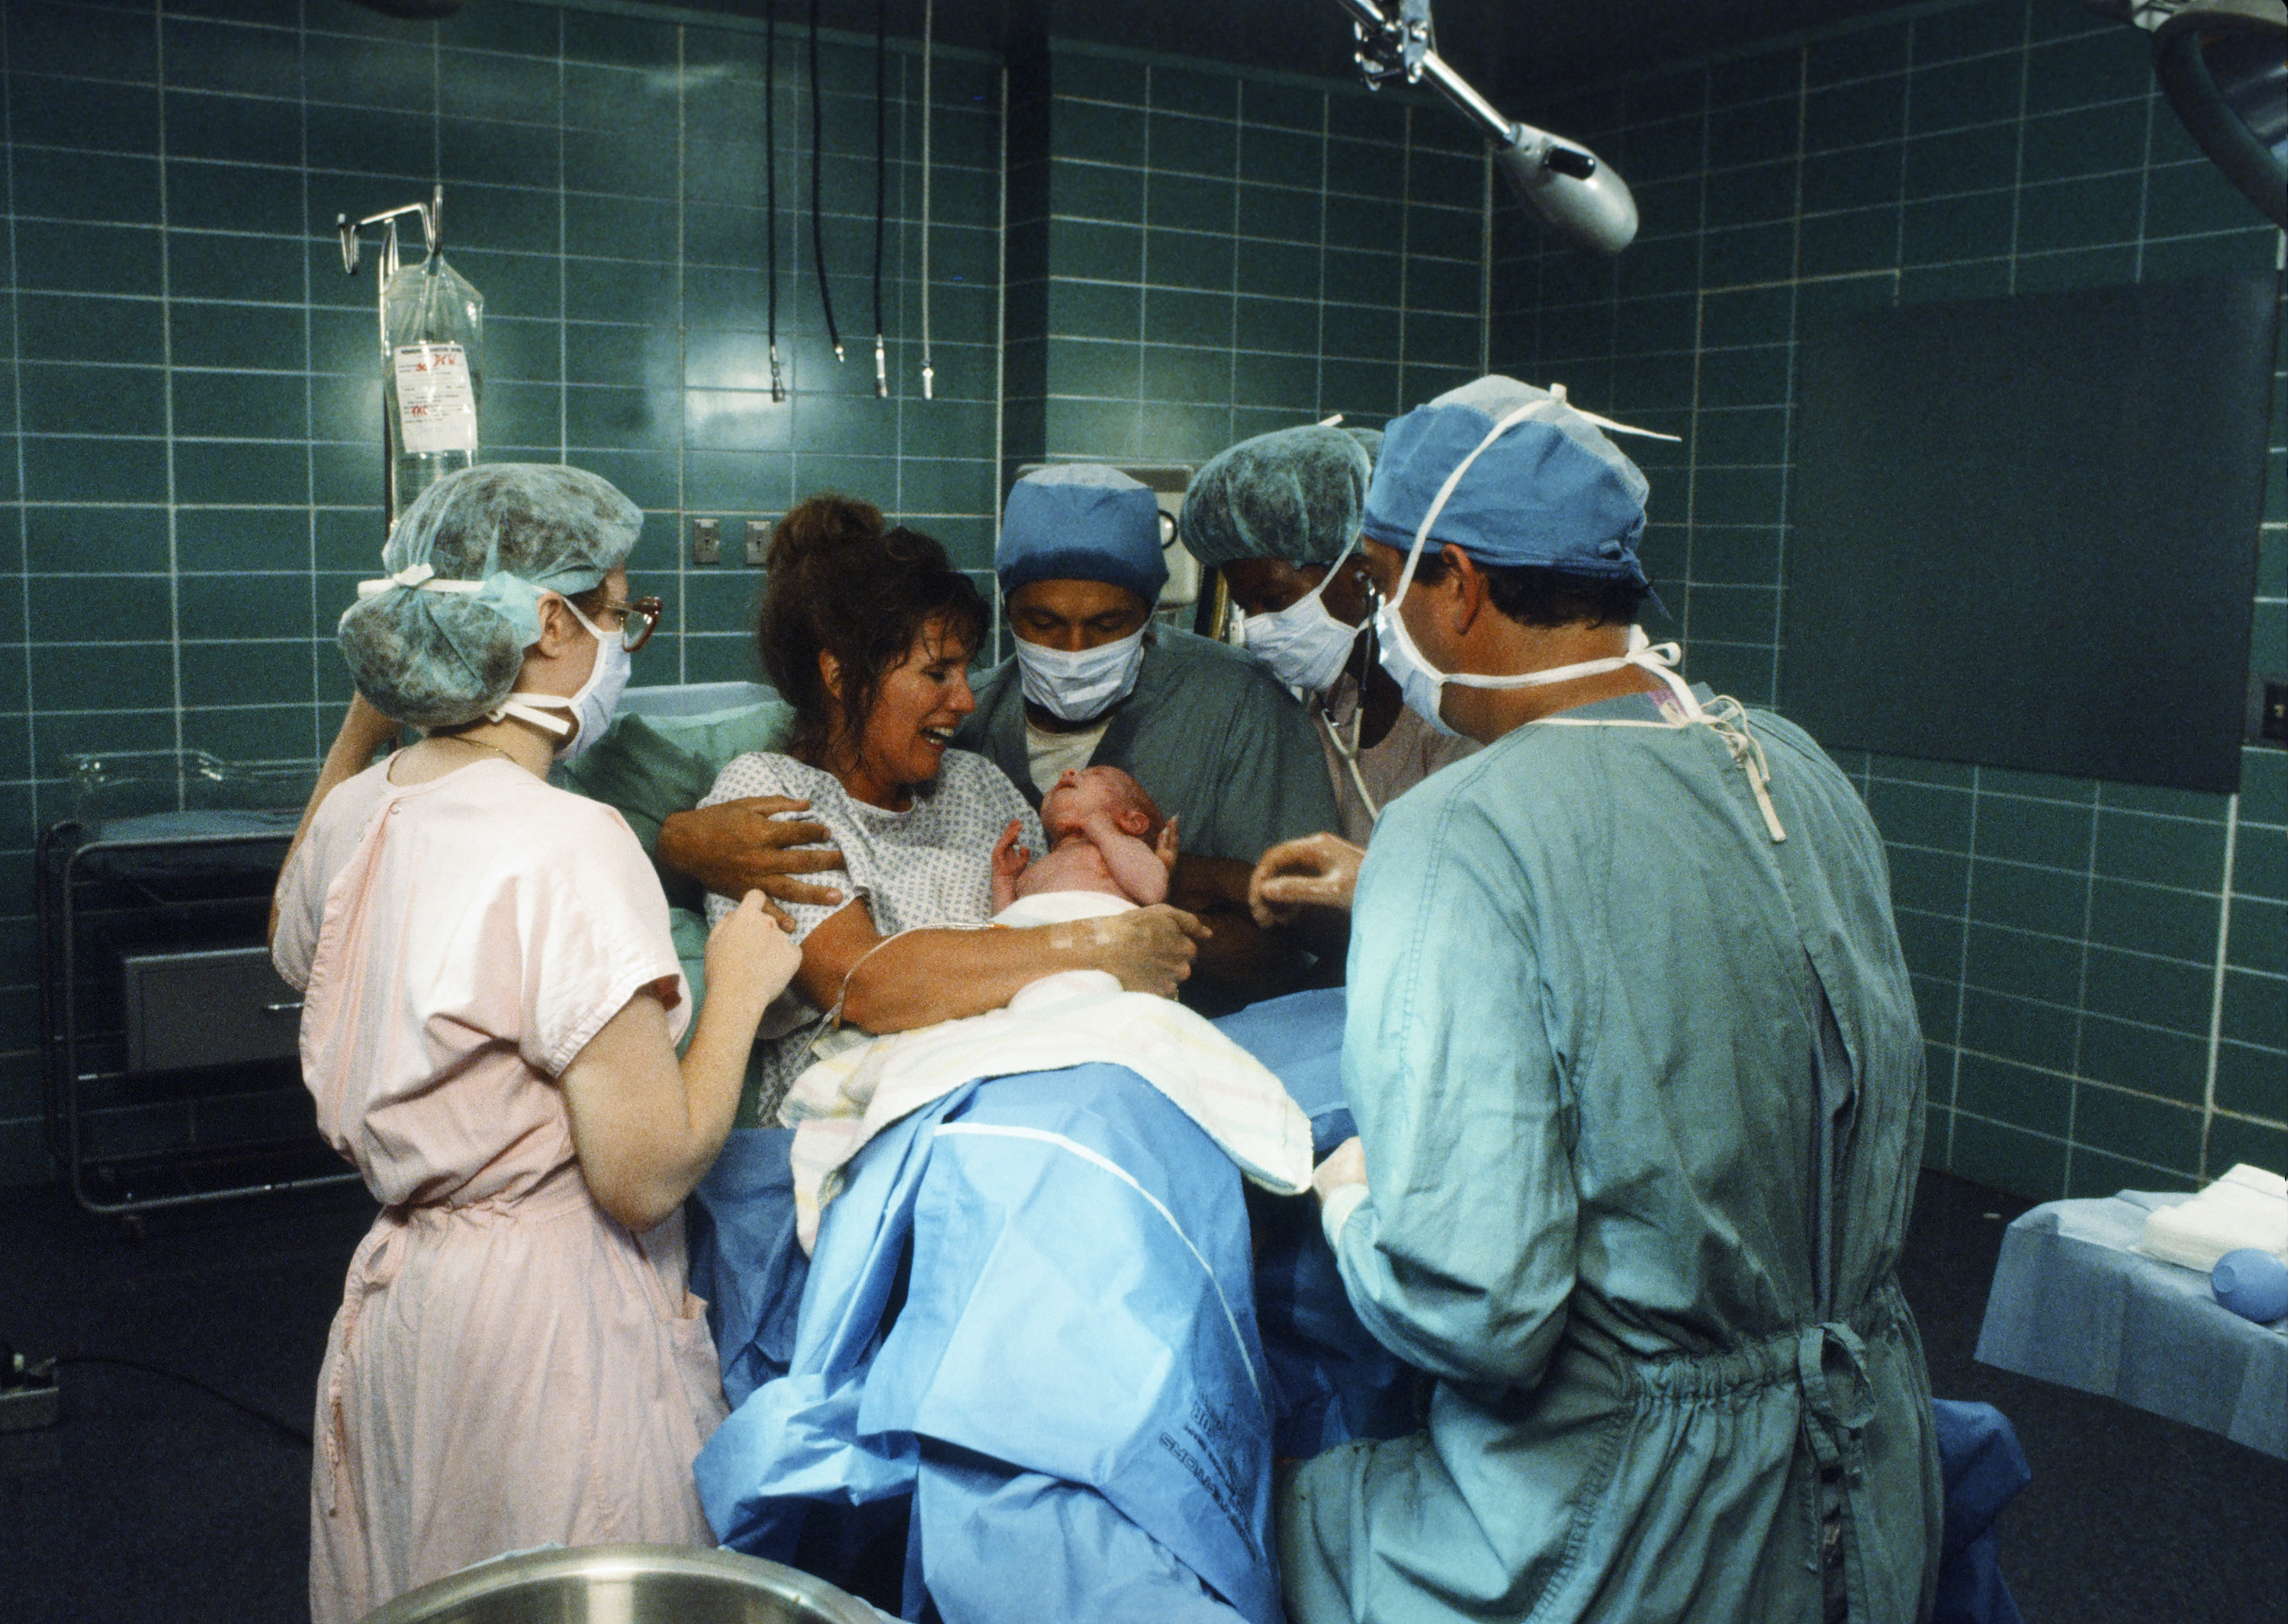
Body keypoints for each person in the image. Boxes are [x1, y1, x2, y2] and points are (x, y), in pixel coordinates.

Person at [1248, 378, 1943, 1624]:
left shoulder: (1459, 831)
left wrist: (1354, 1203)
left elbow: (1478, 1311)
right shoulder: (1796, 763)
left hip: (1631, 1540)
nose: (1378, 620)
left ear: (1454, 583)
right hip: (1871, 1493)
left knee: (1243, 1518)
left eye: (1379, 584)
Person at [269, 465, 804, 1623]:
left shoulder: (364, 812)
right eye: (620, 611)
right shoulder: (567, 840)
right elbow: (644, 1171)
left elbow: (289, 927)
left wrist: (375, 710)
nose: (627, 640)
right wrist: (744, 991)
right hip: (544, 1332)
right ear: (548, 622)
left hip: (408, 1308)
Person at [693, 494, 1207, 1126]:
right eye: (939, 674)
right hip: (871, 1111)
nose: (966, 700)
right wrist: (1098, 945)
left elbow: (1072, 902)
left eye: (966, 670)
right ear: (842, 675)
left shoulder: (977, 786)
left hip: (1029, 1078)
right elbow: (865, 985)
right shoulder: (769, 800)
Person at [952, 463, 1342, 1006]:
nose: (1073, 649)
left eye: (1108, 626)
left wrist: (1127, 925)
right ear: (1007, 608)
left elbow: (1301, 943)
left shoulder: (1237, 705)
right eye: (1042, 623)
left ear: (1150, 614)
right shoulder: (964, 719)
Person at [1180, 423, 1479, 844]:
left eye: (1273, 598)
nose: (1255, 626)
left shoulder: (1446, 712)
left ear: (1361, 577)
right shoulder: (1330, 702)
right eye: (1246, 606)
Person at [991, 764, 1178, 913]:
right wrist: (1004, 881)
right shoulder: (1038, 866)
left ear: (1133, 822)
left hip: (1100, 943)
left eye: (1096, 775)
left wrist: (1102, 830)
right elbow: (1005, 930)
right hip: (1037, 951)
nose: (1068, 772)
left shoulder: (1126, 847)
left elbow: (1152, 892)